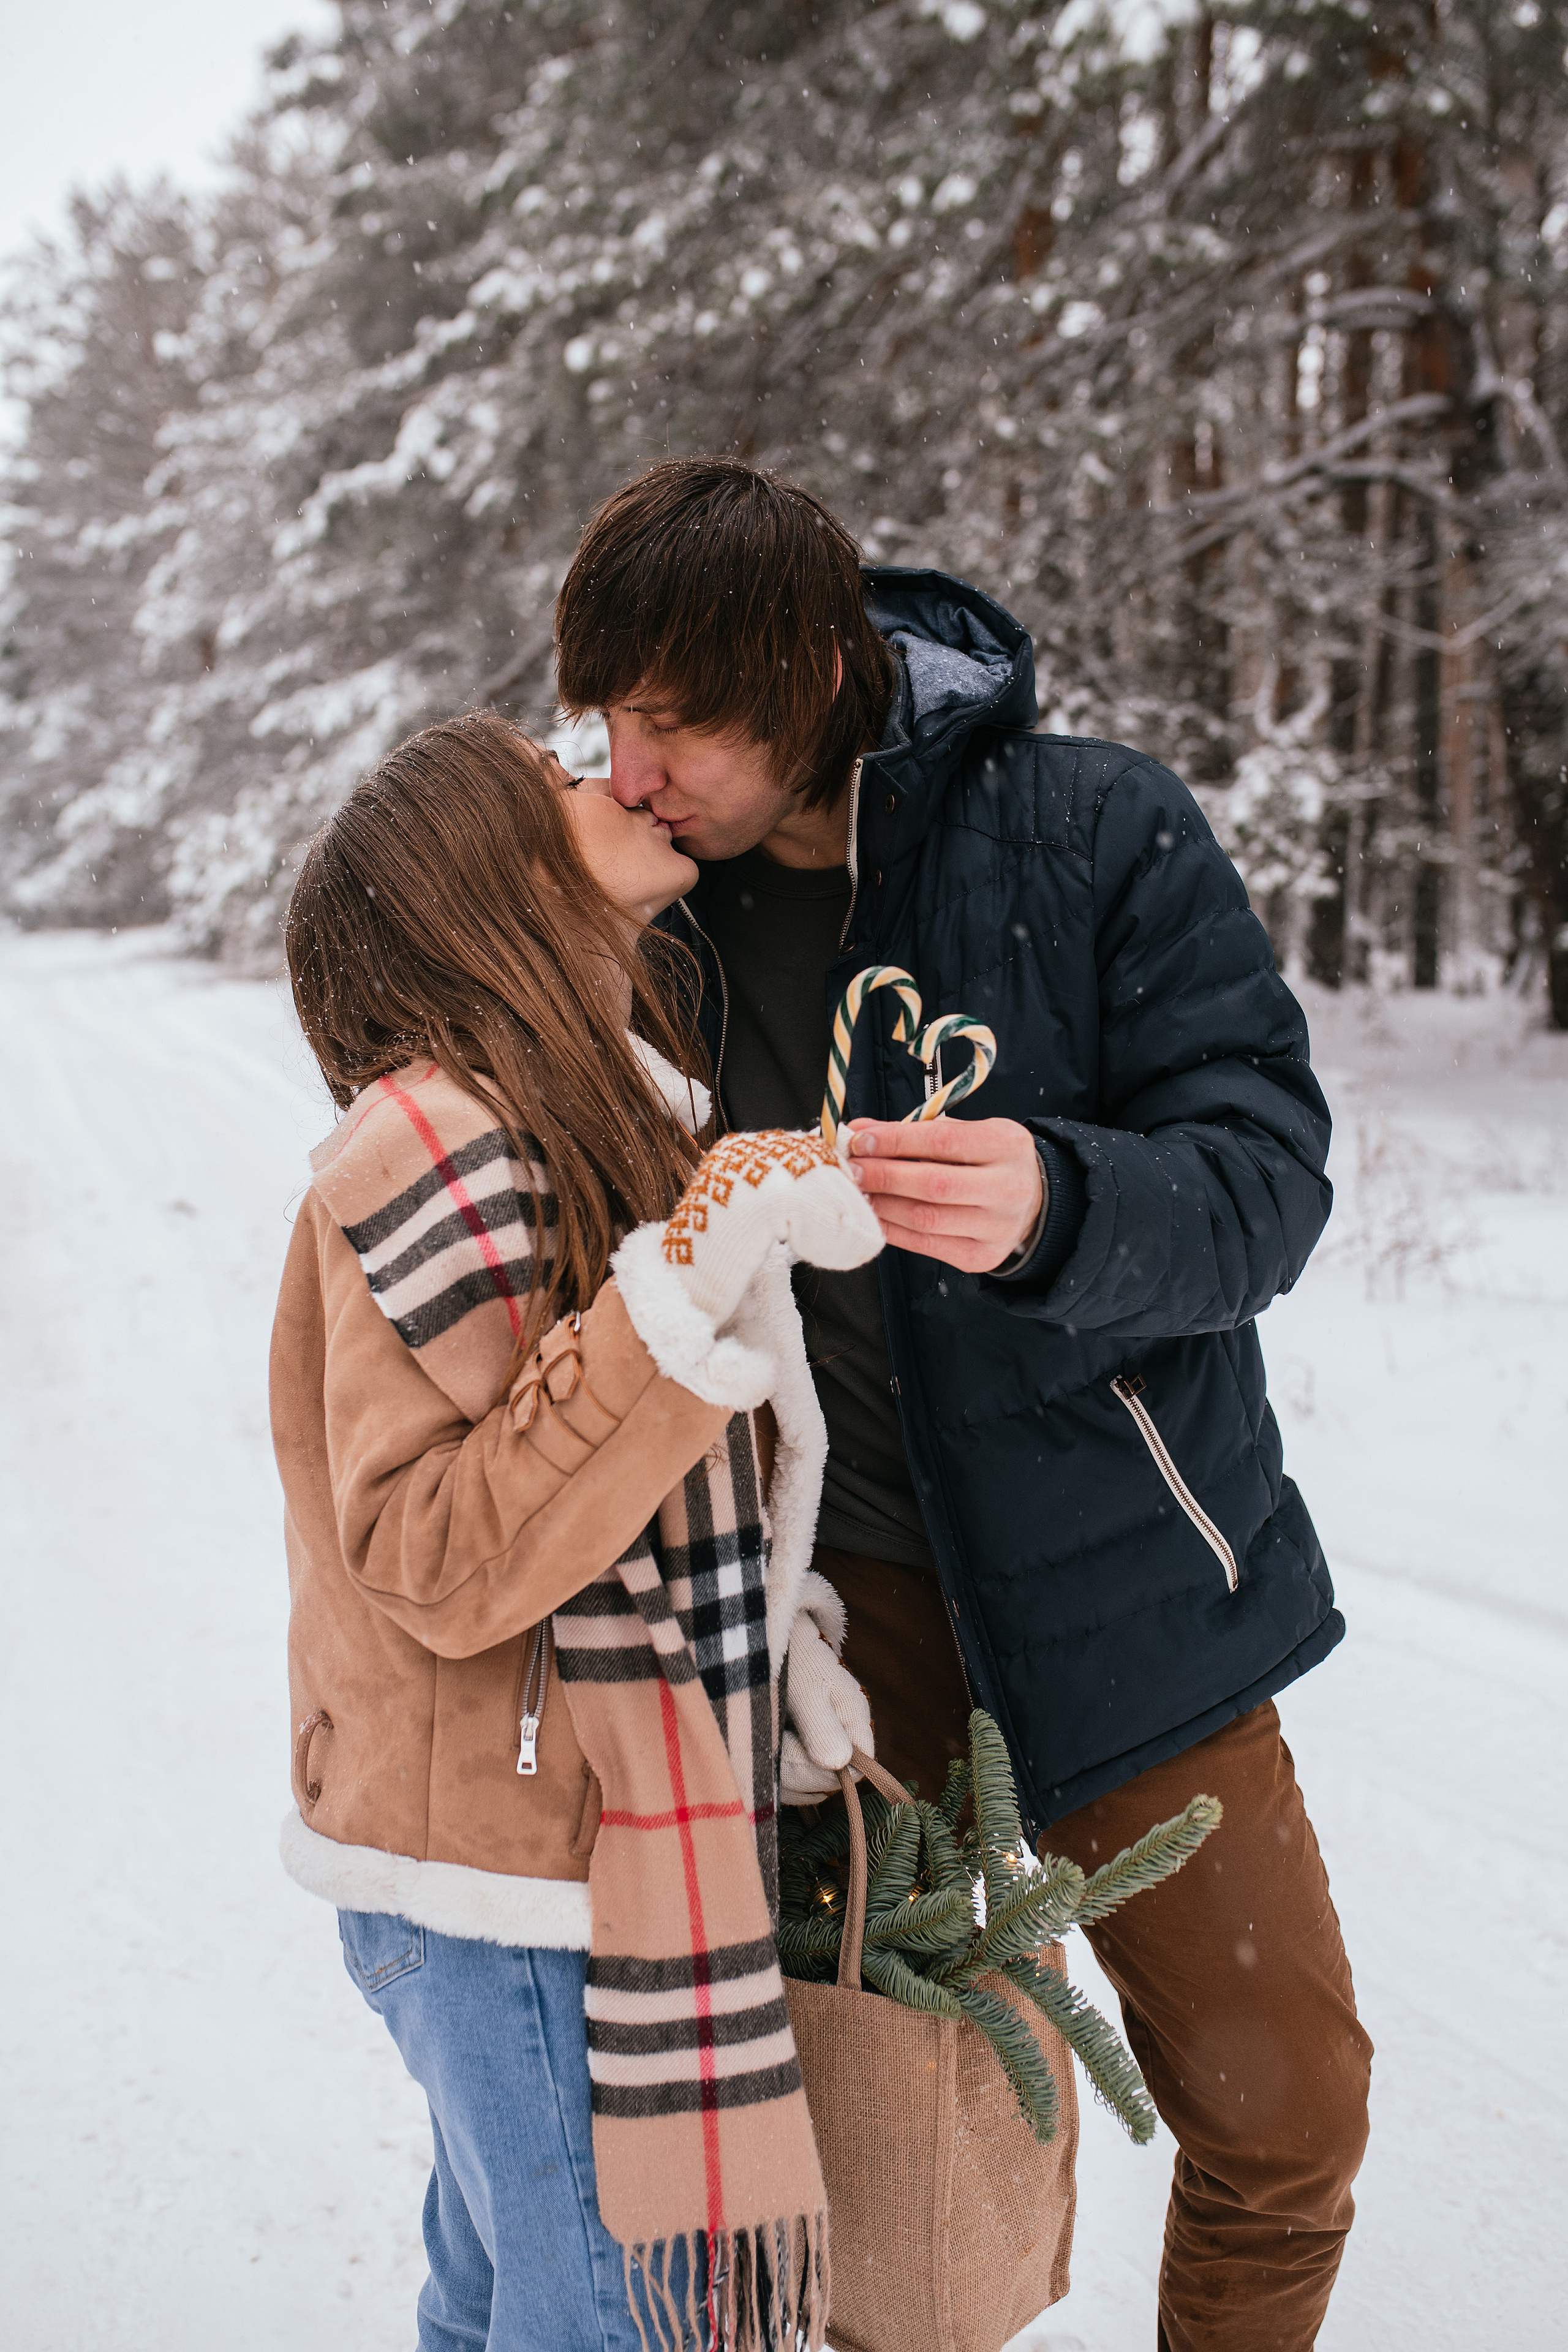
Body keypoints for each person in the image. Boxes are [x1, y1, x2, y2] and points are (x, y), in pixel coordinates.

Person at [554, 461, 1374, 2352]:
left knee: (1287, 2123)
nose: (631, 769)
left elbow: (1269, 1179)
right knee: (852, 2152)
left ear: (798, 676)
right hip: (832, 1629)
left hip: (1118, 1583)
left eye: (668, 723)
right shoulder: (646, 915)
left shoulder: (1093, 827)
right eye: (608, 721)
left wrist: (1064, 1204)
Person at [270, 709, 882, 2352]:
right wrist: (685, 1278)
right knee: (608, 2325)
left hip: (561, 1858)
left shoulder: (584, 1117)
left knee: (509, 2308)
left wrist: (765, 1644)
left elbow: (621, 1495)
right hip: (515, 1888)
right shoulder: (433, 1148)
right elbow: (441, 1552)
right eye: (553, 779)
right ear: (493, 877)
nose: (603, 773)